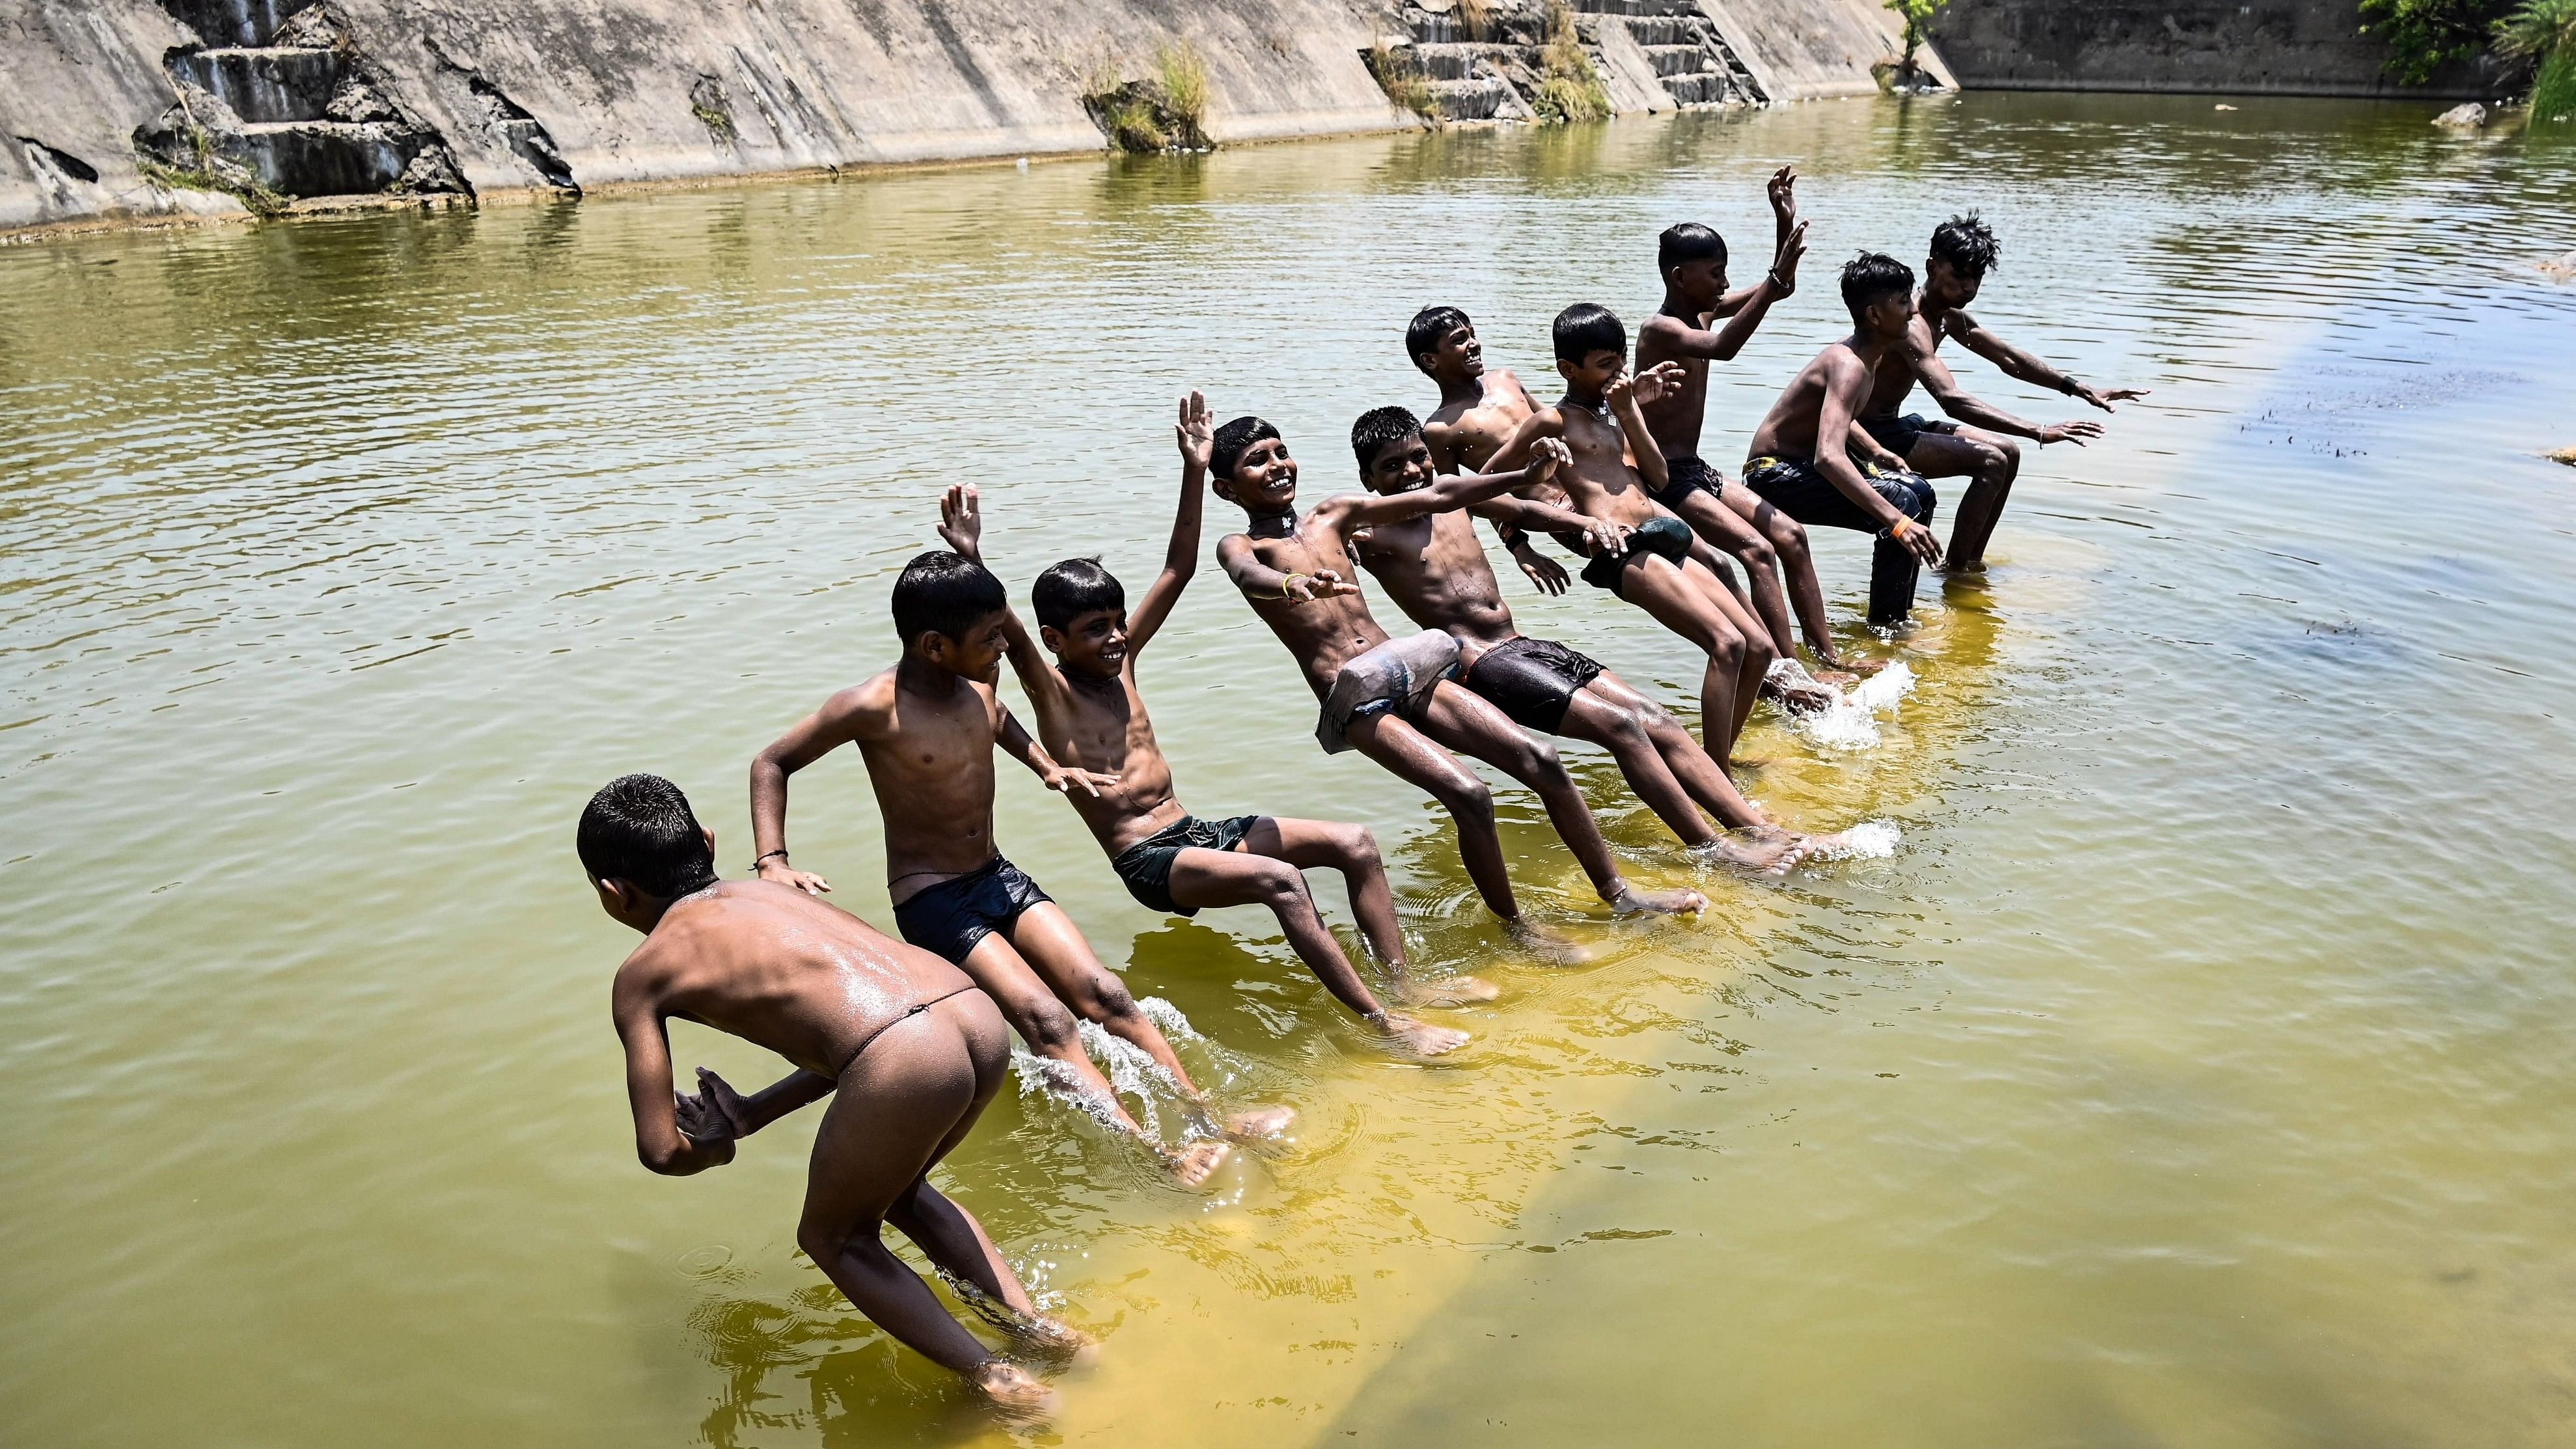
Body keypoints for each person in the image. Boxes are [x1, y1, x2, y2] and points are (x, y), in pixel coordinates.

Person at [931, 391, 1473, 1057]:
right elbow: (1007, 630)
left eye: (1116, 623)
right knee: (1282, 882)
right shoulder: (1052, 690)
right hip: (1148, 859)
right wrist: (971, 556)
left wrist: (1193, 467)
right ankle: (1385, 1028)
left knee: (1355, 843)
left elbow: (1178, 567)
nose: (1112, 640)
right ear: (1055, 640)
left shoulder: (1123, 661)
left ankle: (1404, 988)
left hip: (1195, 830)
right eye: (1093, 631)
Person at [585, 773, 1072, 1415]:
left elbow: (660, 1150)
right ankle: (1049, 1339)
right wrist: (756, 1111)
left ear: (614, 893)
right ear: (707, 840)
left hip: (904, 1057)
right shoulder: (777, 895)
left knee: (834, 1238)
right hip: (973, 1015)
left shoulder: (644, 976)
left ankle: (1001, 1383)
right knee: (901, 1194)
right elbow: (872, 1023)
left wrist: (716, 1147)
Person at [748, 550, 1235, 1184]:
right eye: (989, 640)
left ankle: (1207, 1121)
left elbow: (1000, 721)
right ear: (934, 646)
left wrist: (1046, 765)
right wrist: (772, 861)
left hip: (995, 873)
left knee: (1107, 994)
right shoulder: (870, 706)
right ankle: (1160, 1160)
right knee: (1047, 1020)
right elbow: (771, 763)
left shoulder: (980, 684)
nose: (1004, 648)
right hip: (932, 896)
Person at [1211, 414, 1707, 941]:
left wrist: (1521, 477)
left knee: (1541, 759)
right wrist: (1292, 583)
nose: (1276, 466)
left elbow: (1441, 497)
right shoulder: (1242, 544)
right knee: (1469, 794)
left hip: (1409, 668)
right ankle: (1519, 929)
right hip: (1355, 695)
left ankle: (1620, 896)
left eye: (1279, 451)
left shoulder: (1334, 515)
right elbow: (1249, 575)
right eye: (1256, 461)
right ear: (1226, 488)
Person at [1344, 404, 1821, 873]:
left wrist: (1587, 524)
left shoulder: (1451, 496)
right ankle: (1716, 848)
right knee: (1622, 728)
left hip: (1520, 643)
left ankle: (1757, 829)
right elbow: (1321, 546)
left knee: (1656, 719)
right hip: (1479, 661)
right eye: (1392, 466)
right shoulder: (1369, 534)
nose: (1411, 471)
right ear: (1369, 481)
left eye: (1418, 457)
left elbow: (1525, 509)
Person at [1485, 304, 1777, 769]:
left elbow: (1658, 478)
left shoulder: (1613, 414)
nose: (1618, 372)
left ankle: (1718, 760)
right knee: (1728, 644)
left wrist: (1629, 411)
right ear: (1568, 369)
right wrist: (1524, 533)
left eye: (1621, 361)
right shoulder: (1552, 422)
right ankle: (1717, 773)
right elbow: (1481, 485)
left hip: (1662, 536)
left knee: (1758, 649)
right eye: (1605, 365)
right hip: (1627, 553)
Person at [1634, 166, 1863, 683]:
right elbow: (1726, 348)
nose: (1725, 283)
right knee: (1757, 552)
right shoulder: (1661, 330)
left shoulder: (1702, 313)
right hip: (1662, 477)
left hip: (1693, 467)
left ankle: (1828, 660)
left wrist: (1782, 224)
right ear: (1679, 278)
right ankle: (1791, 673)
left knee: (1792, 536)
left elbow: (1774, 292)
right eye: (1715, 274)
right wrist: (1777, 276)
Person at [1859, 212, 2149, 569]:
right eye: (1959, 276)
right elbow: (1952, 400)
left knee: (2009, 453)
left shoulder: (1948, 318)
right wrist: (2038, 430)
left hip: (1896, 424)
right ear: (1932, 267)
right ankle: (1956, 573)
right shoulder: (1910, 325)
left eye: (1976, 278)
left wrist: (2078, 387)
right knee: (1992, 460)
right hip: (1867, 436)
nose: (1968, 288)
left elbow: (2010, 359)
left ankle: (1967, 564)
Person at [1742, 252, 1945, 628]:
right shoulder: (1850, 364)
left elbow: (1835, 417)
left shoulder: (1865, 357)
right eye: (1902, 302)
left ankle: (1897, 615)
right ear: (1874, 315)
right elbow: (1828, 458)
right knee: (1902, 504)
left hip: (1793, 468)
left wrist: (1875, 451)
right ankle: (1887, 626)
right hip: (1772, 476)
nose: (1913, 313)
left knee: (1920, 492)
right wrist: (1897, 522)